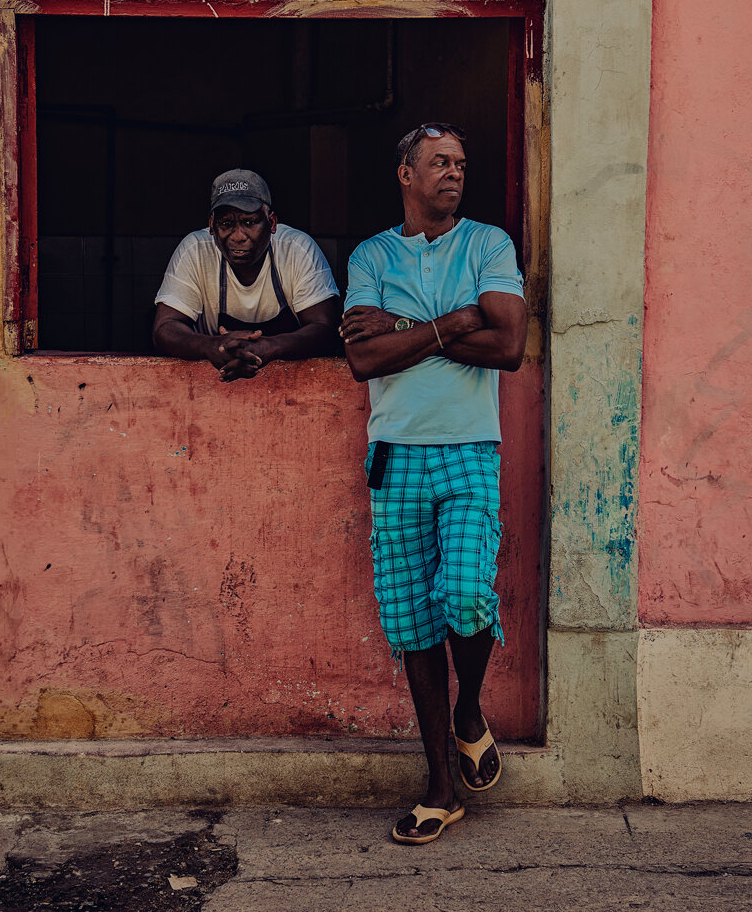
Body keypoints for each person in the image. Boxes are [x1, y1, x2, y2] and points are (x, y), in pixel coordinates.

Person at [339, 123, 526, 845]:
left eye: (461, 163)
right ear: (406, 174)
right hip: (395, 453)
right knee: (414, 623)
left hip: (471, 448)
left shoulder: (488, 244)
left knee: (466, 594)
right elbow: (364, 358)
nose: (453, 172)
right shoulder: (371, 254)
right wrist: (454, 322)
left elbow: (508, 345)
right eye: (438, 162)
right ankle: (440, 785)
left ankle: (469, 709)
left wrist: (406, 327)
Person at [153, 169, 341, 381]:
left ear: (271, 223)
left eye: (249, 222)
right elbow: (164, 328)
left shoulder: (297, 248)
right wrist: (211, 346)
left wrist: (269, 347)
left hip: (291, 385)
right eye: (226, 224)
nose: (238, 236)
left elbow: (324, 329)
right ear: (212, 226)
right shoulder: (195, 250)